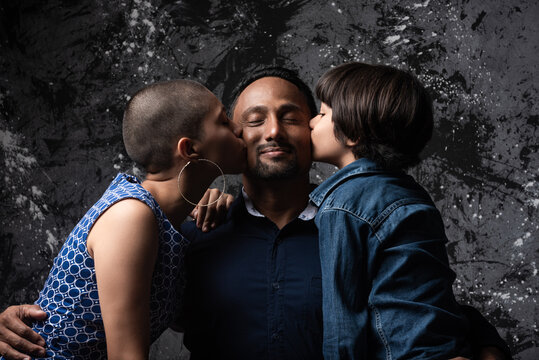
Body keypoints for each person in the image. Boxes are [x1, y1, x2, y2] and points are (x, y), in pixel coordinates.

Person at [0, 68, 510, 360]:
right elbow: (97, 299)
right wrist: (17, 327)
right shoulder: (190, 234)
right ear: (230, 140)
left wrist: (482, 343)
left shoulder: (355, 225)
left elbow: (412, 299)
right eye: (248, 120)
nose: (272, 131)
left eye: (292, 117)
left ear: (317, 131)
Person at [0, 79, 246, 359]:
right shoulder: (131, 215)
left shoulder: (166, 224)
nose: (238, 128)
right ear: (190, 149)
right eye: (224, 121)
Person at [309, 62, 471, 359]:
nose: (310, 122)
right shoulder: (411, 192)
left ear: (353, 132)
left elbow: (343, 321)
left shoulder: (343, 205)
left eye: (322, 114)